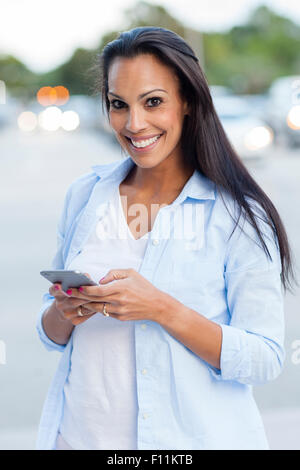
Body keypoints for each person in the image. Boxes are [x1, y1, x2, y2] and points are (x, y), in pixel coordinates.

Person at [36, 26, 297, 450]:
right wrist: (65, 309)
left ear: (188, 102)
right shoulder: (86, 195)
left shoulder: (237, 215)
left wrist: (161, 309)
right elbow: (50, 333)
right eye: (119, 105)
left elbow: (265, 359)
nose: (134, 124)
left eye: (153, 101)